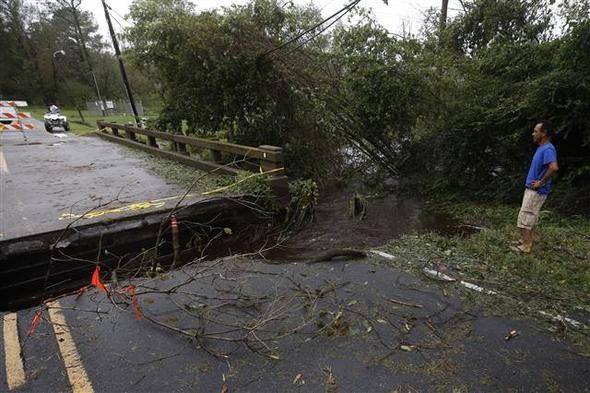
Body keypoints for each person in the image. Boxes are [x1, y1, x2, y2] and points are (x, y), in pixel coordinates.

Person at [511, 121, 559, 253]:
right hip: (532, 190)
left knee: (525, 217)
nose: (533, 133)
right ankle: (527, 241)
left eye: (536, 131)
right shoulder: (541, 147)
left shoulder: (548, 149)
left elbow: (553, 167)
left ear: (544, 133)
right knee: (529, 216)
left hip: (536, 191)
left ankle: (526, 247)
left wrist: (541, 182)